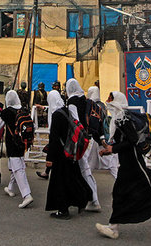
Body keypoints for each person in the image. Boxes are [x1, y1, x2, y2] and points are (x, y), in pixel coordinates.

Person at [96, 91, 151, 240]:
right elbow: (124, 141)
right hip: (128, 162)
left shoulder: (123, 119)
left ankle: (113, 228)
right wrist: (110, 151)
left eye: (110, 99)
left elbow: (131, 140)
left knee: (146, 190)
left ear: (116, 101)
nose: (107, 101)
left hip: (133, 162)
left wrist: (114, 149)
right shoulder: (119, 117)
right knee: (142, 190)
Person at [44, 90, 92, 219]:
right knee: (72, 178)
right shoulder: (65, 110)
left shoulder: (56, 115)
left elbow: (54, 138)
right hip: (69, 150)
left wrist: (50, 159)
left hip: (61, 153)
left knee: (59, 183)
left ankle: (62, 210)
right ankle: (84, 197)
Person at [0, 90, 34, 208]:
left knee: (18, 168)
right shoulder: (23, 110)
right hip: (22, 142)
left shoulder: (6, 112)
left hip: (12, 142)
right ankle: (10, 188)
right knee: (18, 163)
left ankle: (27, 195)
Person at [66, 78, 101, 212]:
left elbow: (74, 120)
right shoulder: (85, 100)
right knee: (84, 168)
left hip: (80, 138)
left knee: (84, 168)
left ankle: (93, 200)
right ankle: (90, 198)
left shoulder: (72, 101)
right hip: (89, 137)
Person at [86, 86, 118, 178]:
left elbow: (95, 121)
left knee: (91, 162)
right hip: (102, 134)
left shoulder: (93, 106)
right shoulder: (102, 104)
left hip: (97, 135)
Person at [36, 87, 65, 180]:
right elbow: (49, 110)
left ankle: (48, 172)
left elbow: (55, 135)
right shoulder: (62, 109)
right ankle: (47, 172)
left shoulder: (57, 114)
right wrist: (42, 107)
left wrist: (49, 157)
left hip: (58, 140)